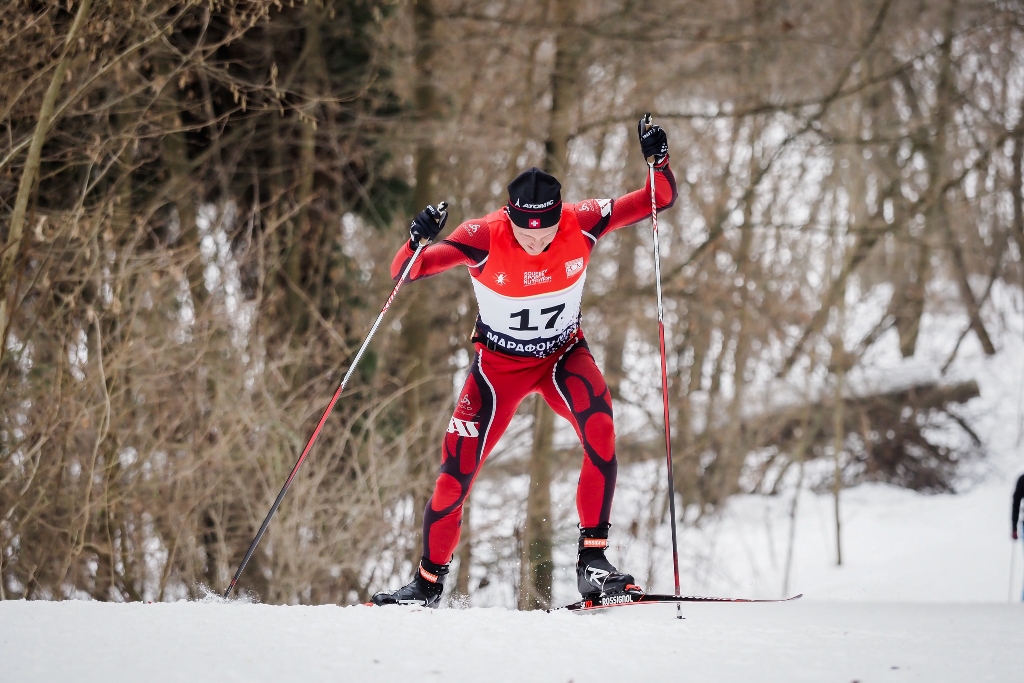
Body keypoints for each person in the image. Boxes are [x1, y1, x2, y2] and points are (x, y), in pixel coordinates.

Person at [371, 118, 677, 607]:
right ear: (508, 217)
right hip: (497, 370)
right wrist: (417, 240)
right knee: (454, 474)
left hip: (561, 356)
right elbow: (406, 272)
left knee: (600, 427)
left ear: (561, 217)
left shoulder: (583, 221)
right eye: (524, 233)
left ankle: (591, 562)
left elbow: (655, 199)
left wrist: (658, 163)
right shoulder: (483, 236)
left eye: (547, 233)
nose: (535, 243)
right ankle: (426, 586)